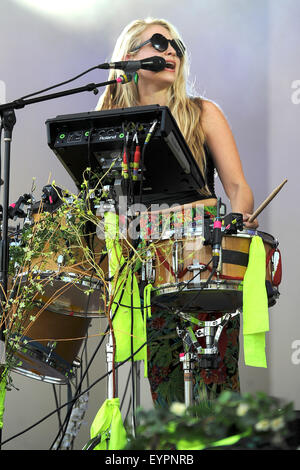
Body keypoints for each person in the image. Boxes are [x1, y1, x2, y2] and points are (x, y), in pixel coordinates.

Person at [95, 18, 259, 407]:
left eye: (176, 47)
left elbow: (238, 189)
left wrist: (236, 221)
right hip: (147, 277)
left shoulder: (203, 113)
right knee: (171, 401)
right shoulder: (109, 123)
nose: (170, 52)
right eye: (159, 43)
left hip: (202, 267)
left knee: (216, 398)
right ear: (130, 58)